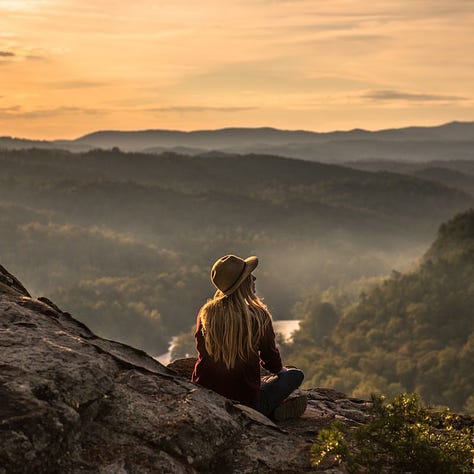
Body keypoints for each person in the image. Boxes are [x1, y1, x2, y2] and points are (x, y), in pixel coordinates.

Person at [191, 254, 307, 421]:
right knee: (295, 375)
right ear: (242, 283)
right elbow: (270, 359)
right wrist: (280, 372)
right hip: (246, 404)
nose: (254, 278)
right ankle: (271, 413)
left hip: (206, 396)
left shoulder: (206, 314)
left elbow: (201, 350)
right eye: (249, 276)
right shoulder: (258, 316)